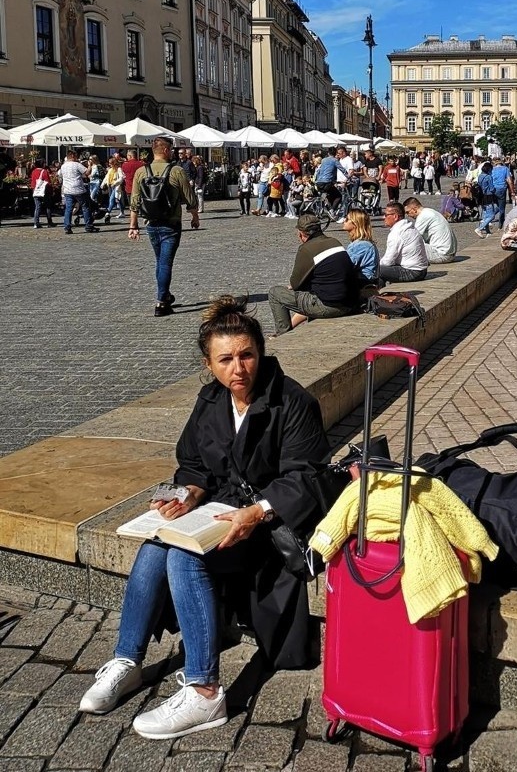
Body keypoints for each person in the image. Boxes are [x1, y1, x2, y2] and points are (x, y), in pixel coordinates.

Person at [77, 296, 332, 738]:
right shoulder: (211, 400)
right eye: (226, 359)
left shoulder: (293, 403)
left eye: (247, 355)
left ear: (261, 352)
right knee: (158, 543)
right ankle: (127, 660)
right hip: (220, 513)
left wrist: (257, 511)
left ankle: (204, 691)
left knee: (182, 557)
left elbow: (306, 477)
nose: (239, 368)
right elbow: (193, 462)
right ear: (209, 363)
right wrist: (188, 492)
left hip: (272, 525)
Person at [128, 136, 199, 316]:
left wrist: (133, 226)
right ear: (166, 150)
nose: (174, 152)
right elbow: (190, 198)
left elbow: (134, 202)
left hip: (151, 224)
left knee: (160, 261)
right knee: (165, 262)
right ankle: (161, 302)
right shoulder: (176, 171)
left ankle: (165, 295)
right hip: (171, 224)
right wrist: (195, 217)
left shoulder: (141, 172)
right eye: (172, 149)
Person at [268, 214, 359, 333]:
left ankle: (283, 335)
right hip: (350, 302)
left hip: (330, 306)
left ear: (301, 233)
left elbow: (295, 284)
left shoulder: (306, 249)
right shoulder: (334, 242)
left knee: (275, 293)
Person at [378, 201, 428, 283]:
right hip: (422, 270)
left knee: (375, 269)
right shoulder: (408, 226)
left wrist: (377, 264)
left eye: (386, 215)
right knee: (379, 272)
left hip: (412, 272)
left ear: (395, 216)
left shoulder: (397, 233)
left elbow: (388, 261)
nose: (384, 217)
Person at [403, 197, 457, 264]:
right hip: (449, 253)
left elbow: (413, 238)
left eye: (408, 212)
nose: (408, 215)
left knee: (410, 244)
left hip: (442, 255)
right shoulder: (429, 211)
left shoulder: (423, 216)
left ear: (414, 209)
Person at [59, 150, 98, 234]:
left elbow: (60, 175)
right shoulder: (77, 165)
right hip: (78, 189)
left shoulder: (63, 166)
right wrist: (90, 166)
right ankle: (88, 226)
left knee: (68, 209)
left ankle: (67, 227)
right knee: (85, 207)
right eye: (76, 156)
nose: (77, 157)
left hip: (68, 190)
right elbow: (87, 173)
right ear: (72, 156)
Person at [342, 207, 380, 285]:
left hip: (362, 283)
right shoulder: (364, 242)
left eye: (347, 219)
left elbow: (346, 266)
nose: (344, 221)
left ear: (355, 224)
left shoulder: (361, 245)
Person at [474, 161, 499, 239]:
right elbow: (491, 188)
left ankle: (488, 232)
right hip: (488, 197)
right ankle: (479, 228)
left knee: (486, 215)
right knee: (491, 216)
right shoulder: (488, 177)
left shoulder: (480, 176)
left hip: (481, 197)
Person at [30, 159, 55, 229]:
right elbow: (48, 182)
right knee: (48, 206)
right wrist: (51, 190)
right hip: (44, 191)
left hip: (35, 190)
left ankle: (36, 222)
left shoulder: (33, 171)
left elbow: (32, 181)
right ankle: (49, 222)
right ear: (42, 164)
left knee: (37, 207)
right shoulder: (44, 171)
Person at [101, 156, 126, 224]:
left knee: (112, 199)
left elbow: (121, 178)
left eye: (110, 163)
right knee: (118, 199)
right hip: (110, 186)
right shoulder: (110, 169)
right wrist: (103, 184)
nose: (109, 164)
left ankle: (107, 212)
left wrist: (115, 183)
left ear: (114, 163)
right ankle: (122, 212)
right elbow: (107, 177)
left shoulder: (119, 169)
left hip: (116, 186)